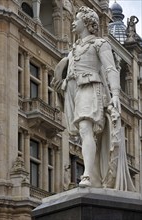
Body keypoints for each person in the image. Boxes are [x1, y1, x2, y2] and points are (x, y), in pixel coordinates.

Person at [52, 6, 135, 190]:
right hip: (74, 92)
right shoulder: (73, 51)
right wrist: (61, 84)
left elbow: (110, 69)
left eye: (77, 19)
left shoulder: (100, 44)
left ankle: (88, 174)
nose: (73, 22)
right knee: (83, 134)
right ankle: (94, 173)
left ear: (88, 23)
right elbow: (67, 74)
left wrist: (114, 95)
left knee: (85, 126)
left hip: (91, 87)